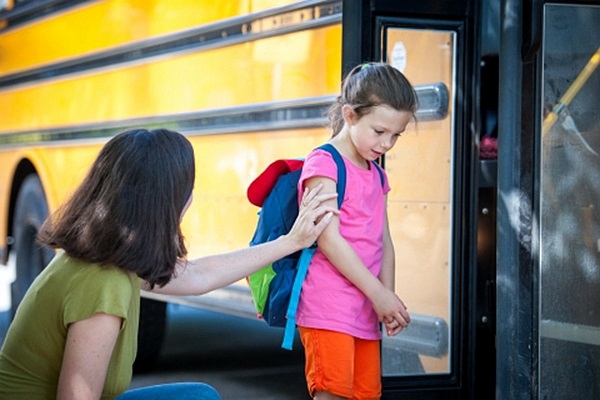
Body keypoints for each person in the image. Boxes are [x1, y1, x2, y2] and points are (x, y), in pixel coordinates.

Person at [0, 128, 338, 400]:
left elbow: (198, 275)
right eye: (187, 189)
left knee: (197, 396)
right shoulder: (103, 284)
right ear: (167, 203)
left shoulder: (110, 257)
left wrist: (290, 242)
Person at [295, 62, 417, 400]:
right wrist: (378, 295)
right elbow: (328, 239)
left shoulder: (377, 174)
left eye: (396, 135)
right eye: (379, 132)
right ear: (349, 115)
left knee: (366, 394)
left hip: (366, 309)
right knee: (333, 394)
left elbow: (384, 241)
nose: (388, 144)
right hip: (329, 307)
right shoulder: (324, 163)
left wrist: (387, 298)